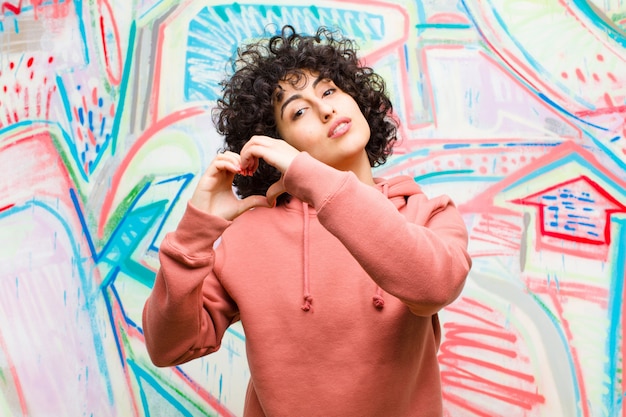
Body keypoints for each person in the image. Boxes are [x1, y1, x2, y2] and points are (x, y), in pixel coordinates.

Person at [142, 24, 472, 417]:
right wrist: (195, 235)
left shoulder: (427, 213)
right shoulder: (249, 237)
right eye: (298, 111)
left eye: (330, 90)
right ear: (277, 144)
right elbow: (168, 347)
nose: (326, 109)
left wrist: (316, 180)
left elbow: (435, 285)